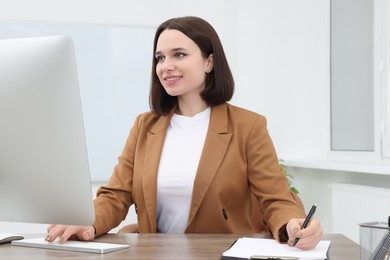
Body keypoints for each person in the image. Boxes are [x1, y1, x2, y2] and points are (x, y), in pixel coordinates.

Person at [46, 16, 323, 250]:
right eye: (160, 57)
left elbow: (276, 199)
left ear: (209, 62)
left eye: (179, 54)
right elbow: (115, 196)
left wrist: (292, 225)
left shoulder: (247, 126)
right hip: (154, 254)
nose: (165, 66)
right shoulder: (145, 125)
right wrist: (88, 221)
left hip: (220, 253)